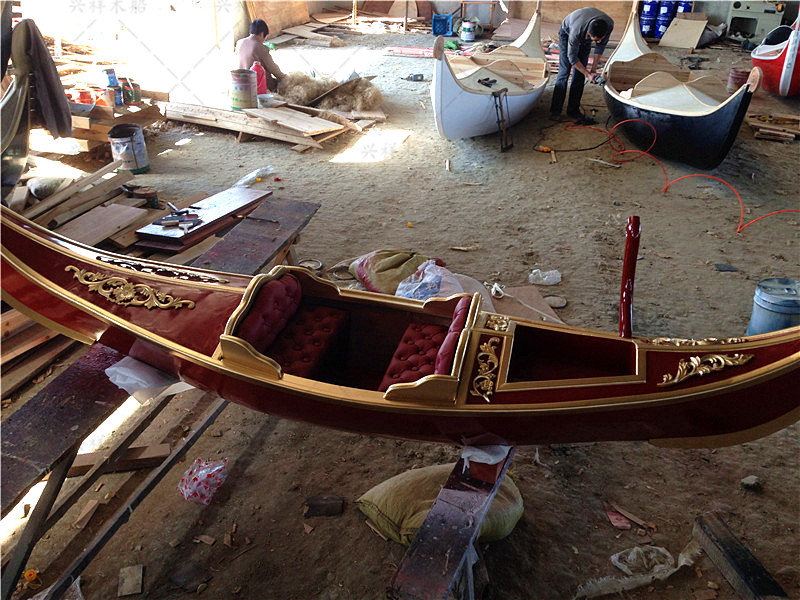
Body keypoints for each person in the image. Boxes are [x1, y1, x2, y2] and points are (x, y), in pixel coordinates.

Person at [549, 7, 613, 120]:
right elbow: (572, 57)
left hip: (585, 37)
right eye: (595, 40)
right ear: (589, 32)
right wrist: (587, 74)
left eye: (600, 39)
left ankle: (573, 111)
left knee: (579, 75)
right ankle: (555, 111)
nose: (598, 41)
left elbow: (600, 47)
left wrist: (593, 70)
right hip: (567, 33)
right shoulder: (576, 31)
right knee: (564, 71)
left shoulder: (608, 25)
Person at [235, 19, 285, 92]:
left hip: (241, 83)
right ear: (262, 34)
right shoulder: (259, 47)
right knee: (277, 83)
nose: (263, 41)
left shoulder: (239, 42)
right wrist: (285, 78)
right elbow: (273, 69)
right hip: (256, 86)